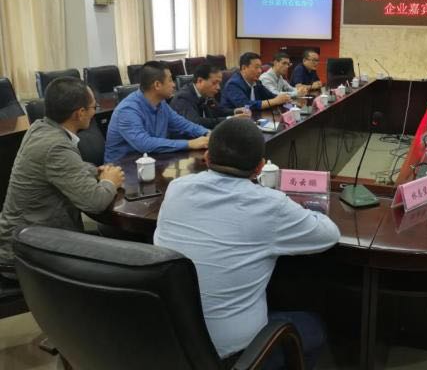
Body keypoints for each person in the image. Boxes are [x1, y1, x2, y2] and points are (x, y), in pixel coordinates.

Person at [154, 118, 340, 368]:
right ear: (260, 167)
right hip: (232, 354)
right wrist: (305, 211)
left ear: (206, 157)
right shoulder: (270, 204)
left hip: (170, 339)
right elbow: (329, 234)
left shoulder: (177, 188)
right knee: (313, 327)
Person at [0, 77, 124, 271]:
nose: (95, 112)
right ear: (80, 113)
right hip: (27, 253)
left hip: (30, 237)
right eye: (94, 107)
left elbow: (67, 167)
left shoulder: (40, 127)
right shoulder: (55, 146)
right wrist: (110, 182)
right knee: (122, 258)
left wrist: (96, 171)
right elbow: (95, 202)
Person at [104, 61, 209, 163]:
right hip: (122, 167)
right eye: (170, 80)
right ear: (157, 85)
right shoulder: (127, 110)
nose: (174, 85)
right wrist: (189, 144)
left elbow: (182, 124)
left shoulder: (161, 103)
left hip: (153, 160)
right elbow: (144, 144)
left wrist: (207, 133)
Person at [170, 64, 249, 129]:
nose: (218, 87)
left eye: (219, 83)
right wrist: (230, 120)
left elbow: (219, 110)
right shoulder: (183, 98)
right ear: (200, 81)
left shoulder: (206, 93)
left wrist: (235, 111)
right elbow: (196, 122)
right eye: (214, 83)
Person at [220, 52, 291, 111]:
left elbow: (270, 96)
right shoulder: (233, 84)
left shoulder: (257, 82)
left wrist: (283, 99)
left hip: (254, 117)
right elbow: (245, 105)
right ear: (244, 68)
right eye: (256, 67)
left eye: (260, 67)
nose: (260, 71)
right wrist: (274, 101)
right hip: (234, 120)